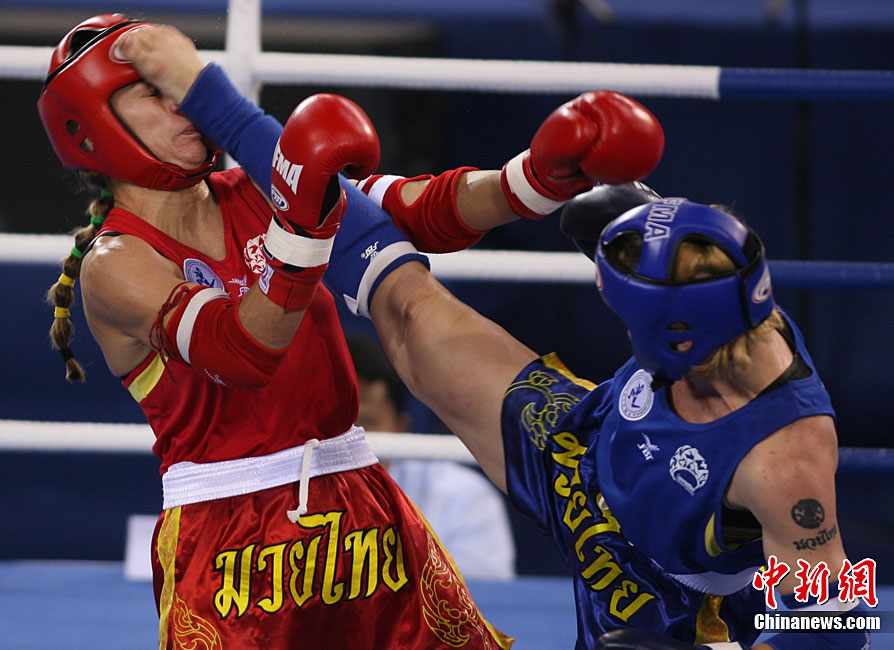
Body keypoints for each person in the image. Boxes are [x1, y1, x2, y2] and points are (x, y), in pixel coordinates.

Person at [110, 21, 872, 650]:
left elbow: (838, 625)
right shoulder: (710, 280)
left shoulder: (786, 463)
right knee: (407, 309)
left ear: (674, 338)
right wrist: (540, 179)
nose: (602, 288)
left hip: (662, 592)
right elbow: (334, 195)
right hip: (579, 443)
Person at [39, 15, 662, 649]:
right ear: (91, 129)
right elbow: (242, 351)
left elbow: (417, 210)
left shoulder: (258, 188)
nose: (181, 103)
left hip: (361, 506)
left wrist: (532, 180)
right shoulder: (116, 263)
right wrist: (302, 226)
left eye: (179, 84)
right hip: (232, 548)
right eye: (153, 92)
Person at [346, 332, 517, 581]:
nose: (346, 438)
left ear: (401, 427)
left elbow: (486, 593)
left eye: (366, 422)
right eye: (333, 424)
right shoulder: (286, 493)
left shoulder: (464, 495)